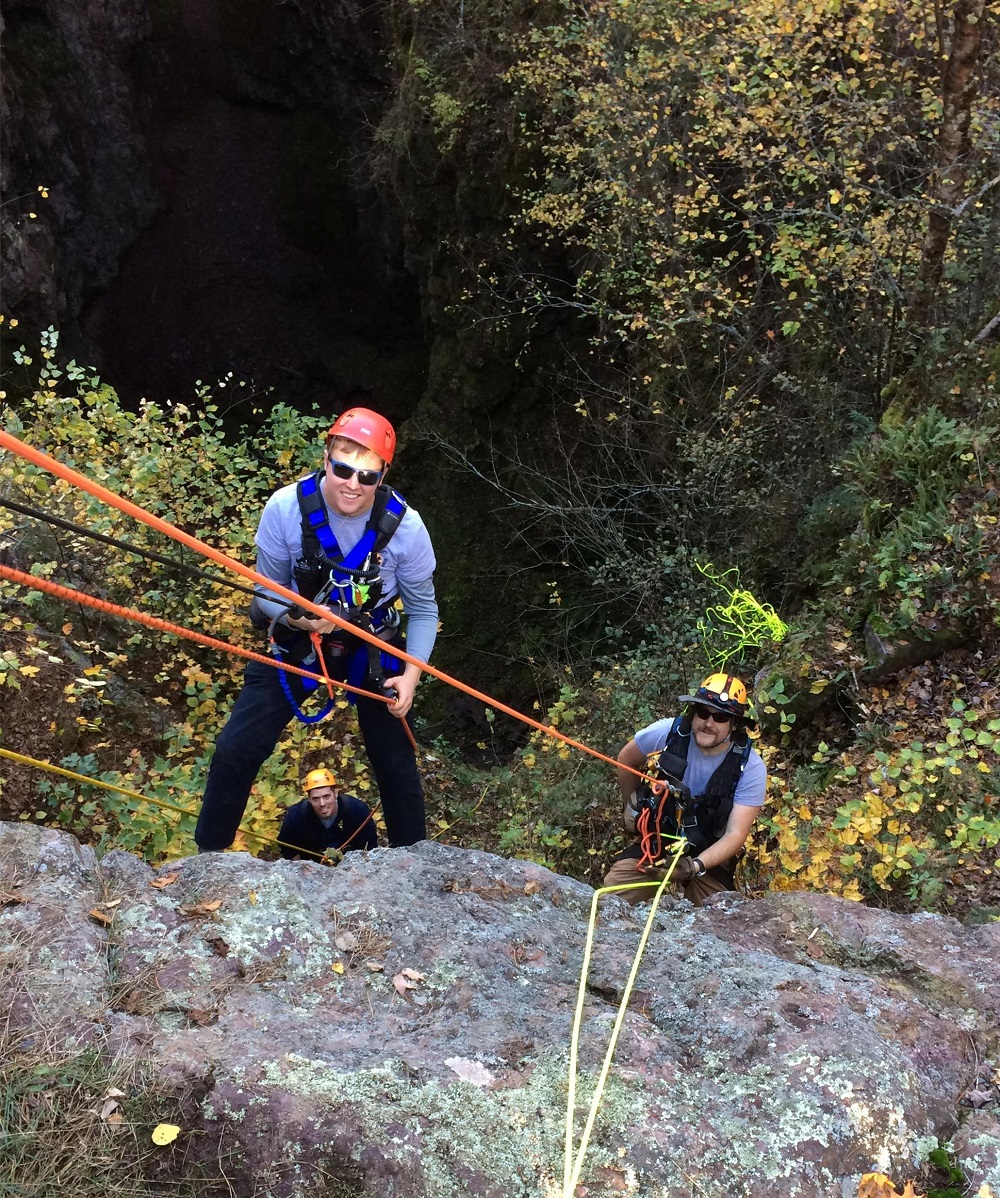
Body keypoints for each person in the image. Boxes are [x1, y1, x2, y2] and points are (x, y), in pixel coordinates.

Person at [195, 402, 438, 852]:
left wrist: (411, 675)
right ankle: (207, 862)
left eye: (367, 476)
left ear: (382, 475)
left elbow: (423, 610)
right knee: (236, 747)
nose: (352, 484)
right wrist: (291, 615)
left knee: (396, 765)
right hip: (301, 639)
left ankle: (414, 866)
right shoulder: (286, 510)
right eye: (344, 469)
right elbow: (266, 592)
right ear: (326, 458)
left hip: (373, 644)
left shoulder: (406, 528)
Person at [603, 673, 767, 906]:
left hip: (708, 851)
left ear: (734, 725)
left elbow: (735, 835)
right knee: (609, 901)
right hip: (658, 837)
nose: (708, 723)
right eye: (703, 712)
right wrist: (632, 805)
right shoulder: (669, 733)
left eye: (720, 717)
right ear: (694, 712)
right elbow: (625, 760)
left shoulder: (750, 767)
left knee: (719, 920)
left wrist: (694, 866)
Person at [278, 768, 377, 860]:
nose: (322, 803)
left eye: (326, 796)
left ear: (336, 793)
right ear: (309, 799)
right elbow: (288, 849)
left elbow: (369, 846)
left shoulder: (357, 811)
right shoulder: (296, 817)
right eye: (316, 799)